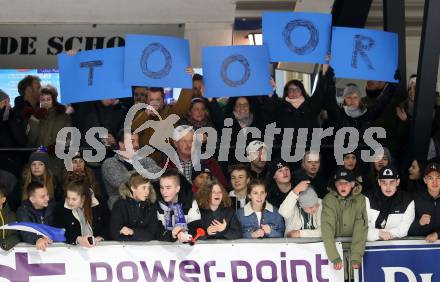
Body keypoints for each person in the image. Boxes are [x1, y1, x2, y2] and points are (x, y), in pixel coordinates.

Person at [131, 85, 194, 164]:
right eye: (151, 100)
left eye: (158, 100)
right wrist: (145, 114)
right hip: (146, 162)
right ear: (147, 101)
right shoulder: (140, 114)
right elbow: (131, 132)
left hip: (169, 162)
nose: (154, 103)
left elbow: (184, 102)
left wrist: (188, 79)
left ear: (163, 100)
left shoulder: (172, 111)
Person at [321, 167, 367, 272]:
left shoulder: (361, 200)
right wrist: (334, 256)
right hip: (335, 249)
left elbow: (361, 228)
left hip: (353, 249)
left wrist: (356, 256)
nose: (342, 186)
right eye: (339, 183)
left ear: (352, 184)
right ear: (335, 185)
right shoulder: (329, 199)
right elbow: (327, 227)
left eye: (346, 183)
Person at [101, 129, 161, 209]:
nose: (137, 145)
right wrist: (146, 173)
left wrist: (131, 175)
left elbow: (158, 173)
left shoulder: (145, 159)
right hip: (122, 208)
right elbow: (120, 181)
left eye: (137, 141)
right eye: (132, 141)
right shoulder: (109, 163)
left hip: (147, 205)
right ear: (121, 144)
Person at [163, 125, 227, 189]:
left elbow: (222, 186)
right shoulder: (167, 166)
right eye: (184, 141)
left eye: (191, 141)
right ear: (176, 143)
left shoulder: (208, 161)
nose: (188, 145)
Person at [365, 166, 414, 241]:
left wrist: (379, 234)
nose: (388, 187)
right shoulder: (368, 198)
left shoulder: (407, 200)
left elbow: (403, 230)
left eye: (391, 182)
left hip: (394, 247)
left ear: (397, 182)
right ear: (379, 182)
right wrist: (378, 234)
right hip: (370, 247)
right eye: (384, 183)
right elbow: (363, 228)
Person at [110, 173, 163, 241]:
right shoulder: (120, 205)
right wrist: (141, 234)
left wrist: (132, 232)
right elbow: (115, 234)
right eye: (144, 188)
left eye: (148, 188)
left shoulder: (151, 207)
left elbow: (151, 234)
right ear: (133, 188)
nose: (147, 192)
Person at [54, 180, 108, 247]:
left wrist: (101, 237)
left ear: (83, 198)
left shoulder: (99, 204)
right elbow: (58, 231)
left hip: (98, 247)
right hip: (73, 249)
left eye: (74, 199)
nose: (70, 202)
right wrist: (77, 239)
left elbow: (107, 224)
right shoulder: (61, 208)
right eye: (68, 198)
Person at [156, 169, 202, 242]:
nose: (164, 192)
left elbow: (197, 227)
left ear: (177, 188)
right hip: (163, 247)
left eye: (168, 188)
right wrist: (172, 234)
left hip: (186, 247)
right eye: (162, 187)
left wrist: (185, 234)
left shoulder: (190, 202)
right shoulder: (156, 203)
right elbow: (156, 231)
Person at [16, 181, 55, 251]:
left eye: (47, 194)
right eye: (43, 196)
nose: (47, 198)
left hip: (56, 250)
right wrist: (37, 239)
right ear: (32, 199)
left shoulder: (52, 206)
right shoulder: (23, 211)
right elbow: (25, 231)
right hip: (32, 252)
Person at [408, 162, 440, 243]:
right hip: (421, 247)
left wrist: (437, 234)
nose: (434, 182)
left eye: (438, 178)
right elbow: (406, 228)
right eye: (430, 178)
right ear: (425, 180)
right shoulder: (415, 198)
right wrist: (419, 223)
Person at [0, 183, 20, 250]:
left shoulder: (12, 216)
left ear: (3, 199)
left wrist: (5, 244)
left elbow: (17, 235)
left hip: (8, 257)